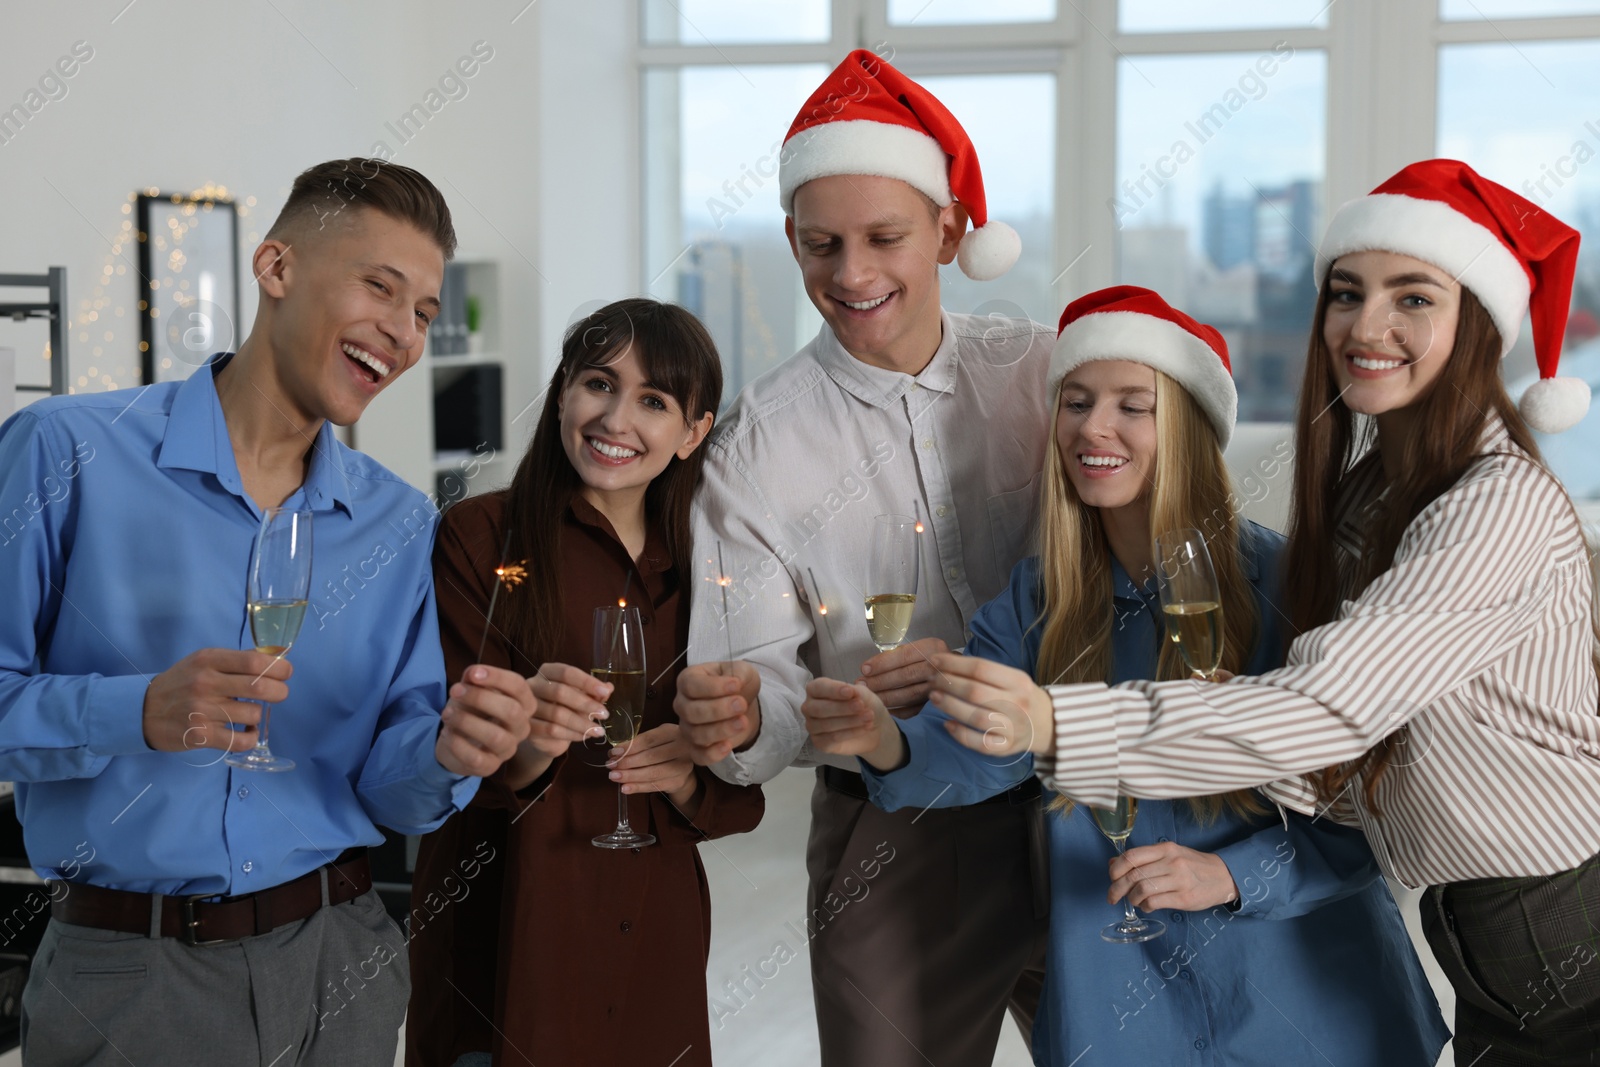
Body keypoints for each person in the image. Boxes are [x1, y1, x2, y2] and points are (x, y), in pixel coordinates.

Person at [923, 160, 1600, 1064]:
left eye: (1414, 299)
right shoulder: (1370, 494)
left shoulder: (1494, 504)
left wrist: (1055, 720)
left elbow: (1325, 710)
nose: (1367, 325)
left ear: (1476, 326)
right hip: (1475, 913)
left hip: (1564, 909)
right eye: (1348, 293)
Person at [801, 285, 1449, 1065]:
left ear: (1188, 426)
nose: (1091, 427)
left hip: (1307, 1000)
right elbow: (978, 752)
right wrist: (885, 741)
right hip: (1124, 1006)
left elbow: (1369, 809)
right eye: (1075, 401)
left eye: (1131, 406)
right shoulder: (1036, 599)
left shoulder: (1290, 582)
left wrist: (1231, 873)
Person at [0, 158, 535, 1066]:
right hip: (132, 983)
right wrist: (133, 711)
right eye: (380, 287)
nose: (401, 333)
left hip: (341, 965)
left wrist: (451, 753)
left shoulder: (399, 520)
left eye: (423, 313)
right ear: (277, 268)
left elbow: (390, 786)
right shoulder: (64, 452)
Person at [673, 48, 1053, 1065]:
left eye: (883, 237)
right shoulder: (759, 440)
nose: (849, 274)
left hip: (1077, 803)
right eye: (819, 244)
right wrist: (753, 709)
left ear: (949, 228)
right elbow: (756, 661)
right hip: (895, 831)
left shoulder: (1046, 375)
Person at [406, 298, 764, 1067]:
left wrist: (692, 776)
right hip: (506, 937)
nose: (616, 417)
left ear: (693, 432)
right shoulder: (476, 538)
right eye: (599, 382)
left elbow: (741, 791)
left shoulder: (717, 568)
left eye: (655, 401)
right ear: (564, 389)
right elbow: (439, 759)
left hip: (654, 943)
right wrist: (527, 739)